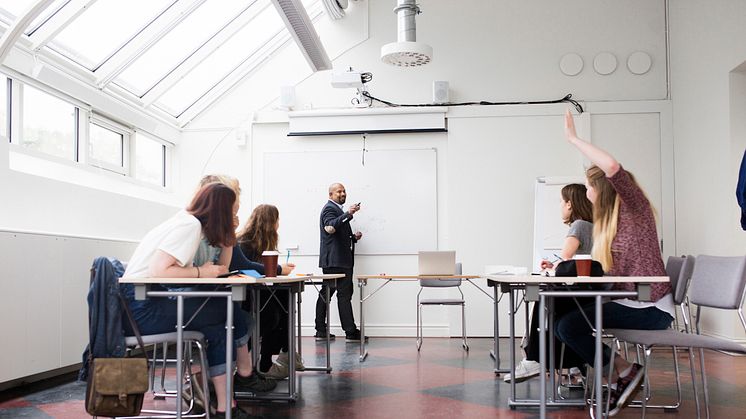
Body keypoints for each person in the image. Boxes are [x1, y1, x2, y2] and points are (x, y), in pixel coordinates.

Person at [555, 110, 673, 416]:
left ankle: (622, 371)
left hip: (651, 309)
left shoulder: (636, 209)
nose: (588, 194)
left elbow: (612, 166)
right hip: (631, 302)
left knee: (568, 325)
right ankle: (620, 374)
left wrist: (572, 139)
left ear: (604, 189)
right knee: (564, 318)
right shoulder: (609, 226)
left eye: (590, 188)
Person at [121, 183, 270, 419]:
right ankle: (241, 376)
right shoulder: (189, 226)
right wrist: (201, 272)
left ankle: (225, 407)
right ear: (220, 210)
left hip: (147, 301)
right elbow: (159, 269)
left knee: (223, 321)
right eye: (232, 211)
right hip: (141, 308)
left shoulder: (188, 223)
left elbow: (222, 268)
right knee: (228, 311)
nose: (234, 216)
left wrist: (228, 238)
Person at [504, 183, 593, 383]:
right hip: (590, 294)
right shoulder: (594, 226)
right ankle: (572, 365)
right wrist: (556, 264)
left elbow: (566, 259)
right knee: (552, 305)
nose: (560, 206)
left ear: (570, 204)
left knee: (544, 301)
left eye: (562, 202)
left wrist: (553, 267)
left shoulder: (578, 226)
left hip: (577, 294)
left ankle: (534, 358)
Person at [236, 204, 300, 379]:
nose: (278, 224)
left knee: (284, 299)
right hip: (244, 295)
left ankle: (273, 357)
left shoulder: (258, 242)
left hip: (256, 292)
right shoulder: (244, 243)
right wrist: (278, 269)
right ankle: (278, 355)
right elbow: (246, 269)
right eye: (277, 220)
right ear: (270, 222)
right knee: (273, 313)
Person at [314, 183, 366, 342]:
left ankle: (335, 331)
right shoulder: (330, 208)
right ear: (331, 194)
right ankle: (344, 331)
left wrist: (352, 237)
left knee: (337, 294)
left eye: (344, 191)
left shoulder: (336, 210)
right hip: (335, 261)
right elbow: (329, 228)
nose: (343, 193)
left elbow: (335, 232)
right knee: (331, 294)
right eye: (339, 191)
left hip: (340, 260)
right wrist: (348, 214)